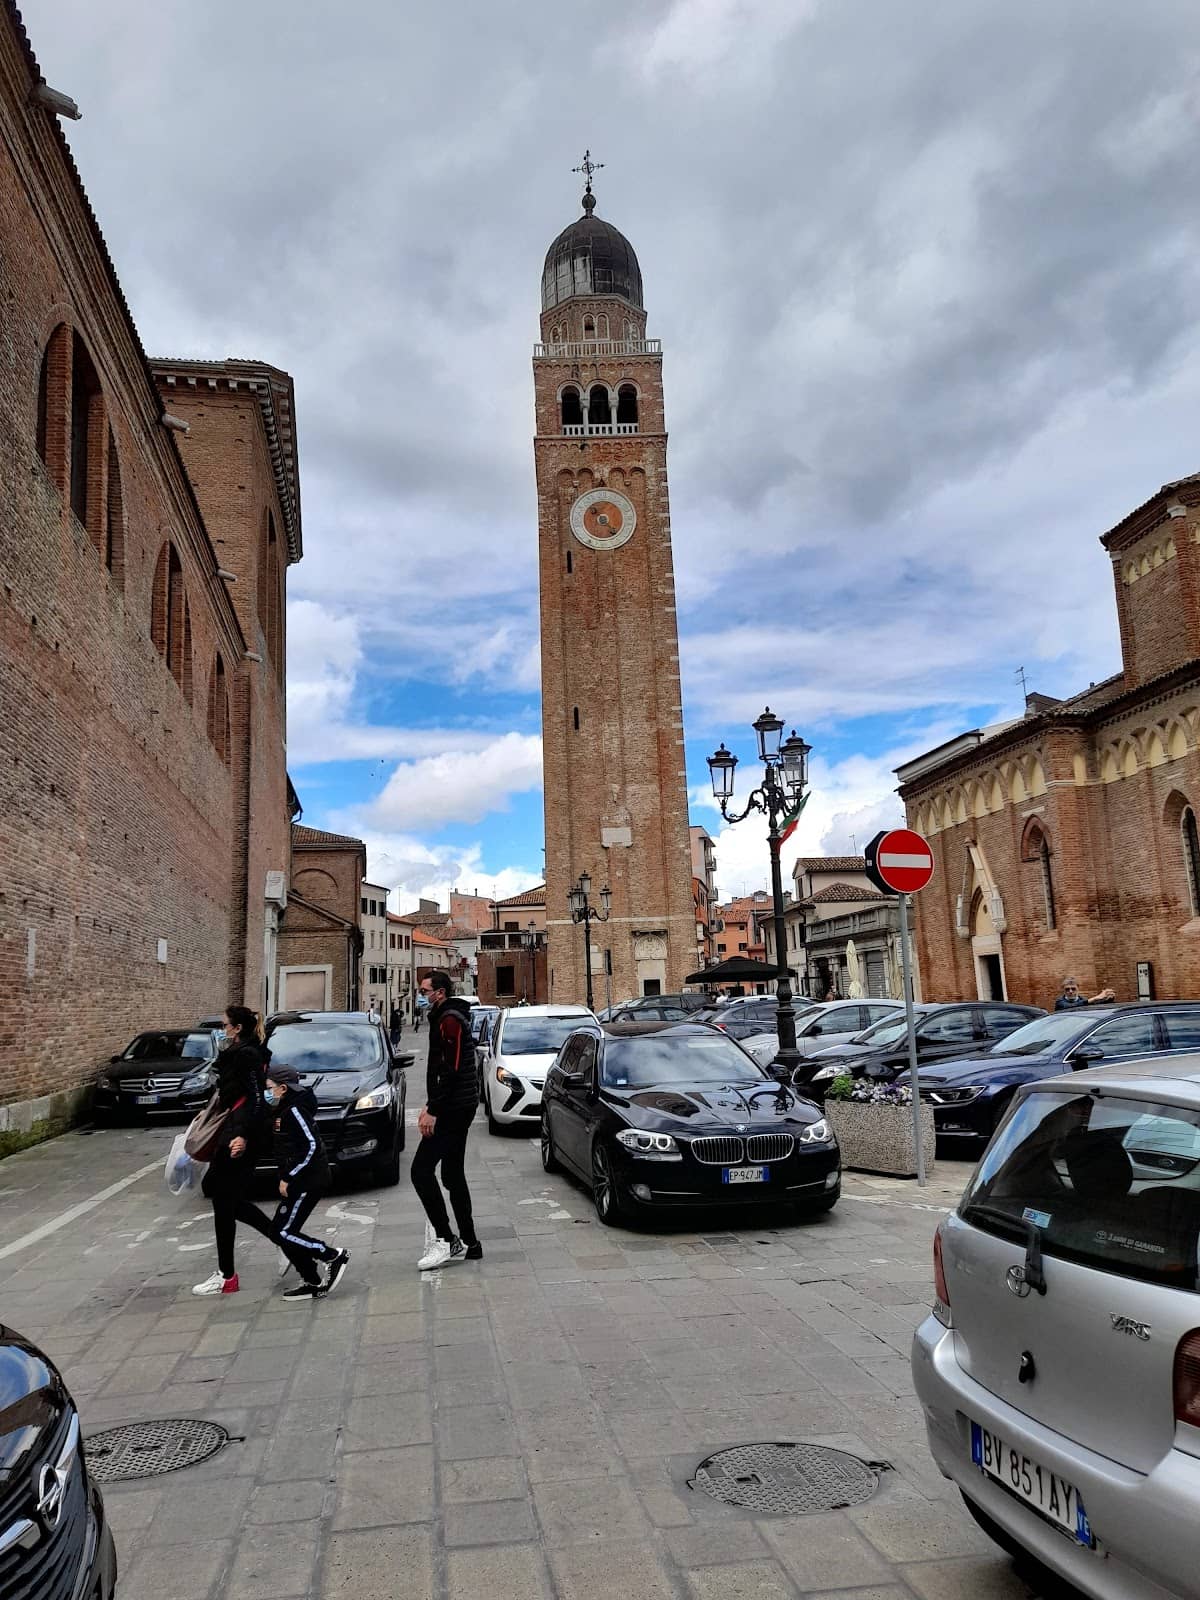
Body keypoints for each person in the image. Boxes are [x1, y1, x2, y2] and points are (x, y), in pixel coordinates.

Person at [193, 1005, 271, 1296]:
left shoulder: (247, 1055)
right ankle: (285, 1242)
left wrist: (243, 1136)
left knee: (223, 1197)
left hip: (238, 1134)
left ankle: (227, 1275)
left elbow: (257, 1099)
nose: (222, 1028)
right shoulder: (241, 1053)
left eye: (225, 1024)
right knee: (224, 1197)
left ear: (237, 1028)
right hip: (234, 1130)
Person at [411, 970, 481, 1270]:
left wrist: (434, 1109)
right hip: (458, 1104)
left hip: (453, 1108)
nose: (421, 996)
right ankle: (471, 1243)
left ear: (439, 992)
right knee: (452, 1176)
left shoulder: (449, 1020)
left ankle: (446, 1239)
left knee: (420, 1171)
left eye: (425, 991)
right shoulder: (443, 1017)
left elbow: (450, 1069)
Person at [264, 1064, 349, 1301]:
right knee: (277, 1231)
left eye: (269, 1088)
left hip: (308, 1180)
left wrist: (289, 1177)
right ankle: (311, 1278)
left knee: (283, 1231)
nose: (267, 1092)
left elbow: (311, 1146)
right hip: (298, 1180)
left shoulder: (294, 1110)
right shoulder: (282, 1110)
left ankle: (331, 1255)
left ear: (282, 1088)